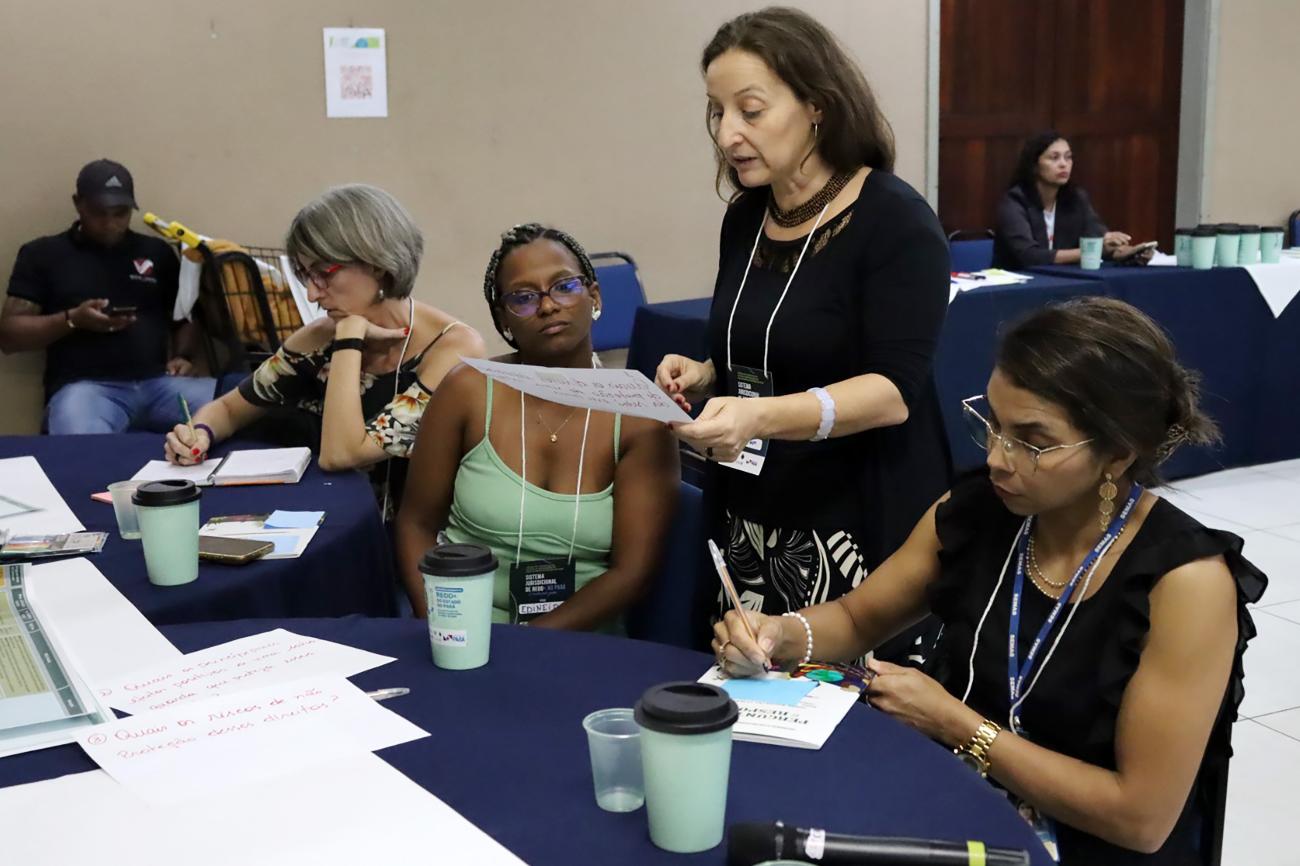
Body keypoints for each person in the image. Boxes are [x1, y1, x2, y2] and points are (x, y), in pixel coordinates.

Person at [713, 297, 1266, 865]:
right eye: (993, 425)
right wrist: (779, 633)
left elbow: (1139, 818)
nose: (1000, 458)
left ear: (1118, 455)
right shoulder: (980, 510)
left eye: (1033, 442)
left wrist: (954, 723)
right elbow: (857, 619)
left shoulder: (1186, 583)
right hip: (962, 809)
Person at [655, 8, 951, 658]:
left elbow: (892, 392)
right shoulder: (747, 218)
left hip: (854, 519)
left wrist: (757, 416)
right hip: (752, 509)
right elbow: (777, 342)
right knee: (746, 680)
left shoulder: (895, 221)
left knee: (845, 699)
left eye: (750, 110)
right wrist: (707, 372)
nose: (727, 133)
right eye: (716, 112)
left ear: (818, 106)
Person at [395, 224, 679, 630]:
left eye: (564, 287)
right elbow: (416, 524)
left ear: (594, 297)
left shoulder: (640, 414)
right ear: (503, 319)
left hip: (581, 637)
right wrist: (442, 625)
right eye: (524, 298)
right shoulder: (467, 390)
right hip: (466, 629)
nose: (547, 306)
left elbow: (632, 574)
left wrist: (528, 645)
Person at [164, 184, 484, 511]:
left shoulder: (453, 347)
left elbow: (341, 454)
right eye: (305, 276)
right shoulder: (317, 338)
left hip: (411, 530)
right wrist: (199, 432)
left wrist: (349, 339)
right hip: (327, 516)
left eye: (323, 273)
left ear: (377, 263)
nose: (312, 294)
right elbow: (229, 409)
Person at [0, 159, 214, 434]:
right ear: (78, 204)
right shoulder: (43, 254)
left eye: (120, 213)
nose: (110, 223)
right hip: (85, 390)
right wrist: (72, 320)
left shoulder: (156, 252)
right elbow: (9, 335)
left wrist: (184, 356)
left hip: (160, 384)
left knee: (243, 404)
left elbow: (184, 315)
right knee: (82, 442)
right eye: (98, 212)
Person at [993, 131, 1155, 269]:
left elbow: (1096, 235)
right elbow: (1029, 256)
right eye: (1054, 158)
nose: (1064, 164)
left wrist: (1125, 252)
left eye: (1068, 157)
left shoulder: (1076, 198)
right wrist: (1093, 250)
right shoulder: (1014, 201)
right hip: (1018, 283)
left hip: (1063, 281)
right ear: (1034, 165)